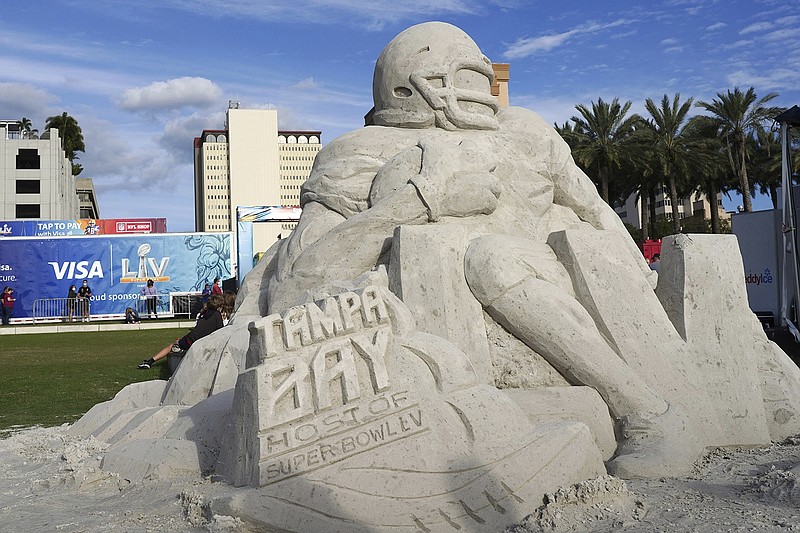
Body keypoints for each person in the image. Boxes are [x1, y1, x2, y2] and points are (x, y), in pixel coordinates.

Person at [246, 22, 695, 477]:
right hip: (431, 305)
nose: (478, 90)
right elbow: (292, 287)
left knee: (492, 258)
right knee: (485, 258)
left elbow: (593, 209)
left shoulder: (527, 133)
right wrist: (424, 199)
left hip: (538, 278)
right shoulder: (361, 152)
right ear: (406, 90)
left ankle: (646, 413)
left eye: (478, 76)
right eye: (459, 78)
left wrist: (642, 280)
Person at [137, 294, 225, 369]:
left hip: (190, 339)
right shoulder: (217, 315)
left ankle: (150, 361)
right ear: (219, 306)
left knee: (172, 345)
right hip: (200, 341)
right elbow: (221, 331)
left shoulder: (204, 313)